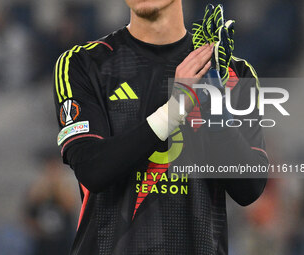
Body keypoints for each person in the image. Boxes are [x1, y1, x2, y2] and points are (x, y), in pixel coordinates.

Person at [53, 0, 268, 254]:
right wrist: (174, 110)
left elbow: (249, 188)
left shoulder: (230, 71)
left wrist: (215, 105)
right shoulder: (83, 63)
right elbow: (92, 168)